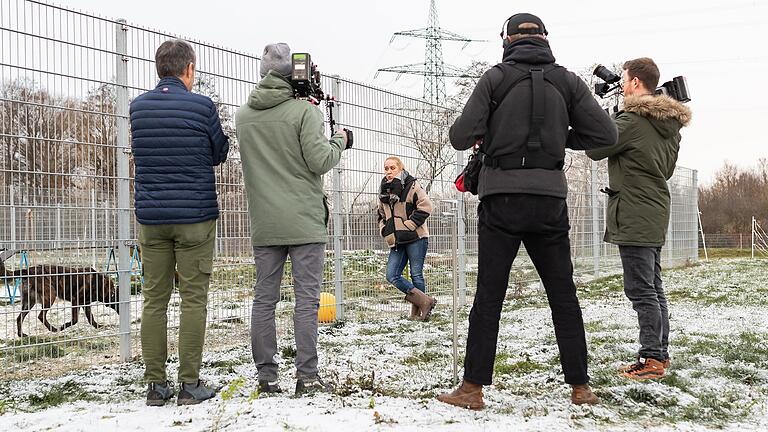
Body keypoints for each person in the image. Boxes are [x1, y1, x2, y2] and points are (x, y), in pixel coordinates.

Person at [437, 13, 618, 409]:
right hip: (549, 201)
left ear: (506, 39)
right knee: (562, 294)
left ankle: (472, 389)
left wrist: (494, 131)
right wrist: (560, 137)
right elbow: (606, 134)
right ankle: (580, 388)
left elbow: (458, 136)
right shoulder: (567, 81)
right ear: (545, 38)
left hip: (500, 200)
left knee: (489, 295)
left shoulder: (495, 78)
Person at [235, 43, 349, 396]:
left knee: (264, 299)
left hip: (265, 222)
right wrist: (340, 141)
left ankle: (267, 377)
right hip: (303, 222)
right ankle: (307, 377)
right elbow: (319, 161)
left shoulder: (243, 116)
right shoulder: (305, 113)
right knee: (306, 300)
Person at [130, 39, 230, 406]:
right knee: (193, 300)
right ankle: (189, 384)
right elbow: (220, 152)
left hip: (153, 219)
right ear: (188, 70)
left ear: (159, 70)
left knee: (154, 301)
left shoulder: (137, 108)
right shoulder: (202, 106)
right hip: (195, 217)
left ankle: (155, 386)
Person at [586, 58, 691, 380]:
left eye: (626, 79)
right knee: (653, 287)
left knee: (641, 290)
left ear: (633, 83)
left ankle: (652, 360)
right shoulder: (669, 127)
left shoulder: (631, 121)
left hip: (633, 212)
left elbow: (595, 149)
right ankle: (659, 353)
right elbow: (667, 170)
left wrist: (608, 114)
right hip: (655, 210)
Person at [377, 156, 436, 321]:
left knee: (416, 274)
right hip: (396, 240)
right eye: (386, 168)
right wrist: (384, 230)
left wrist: (409, 225)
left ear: (400, 168)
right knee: (392, 275)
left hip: (416, 237)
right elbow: (380, 215)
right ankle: (426, 301)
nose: (389, 171)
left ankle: (417, 313)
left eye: (392, 168)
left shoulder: (412, 185)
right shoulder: (383, 191)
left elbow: (426, 206)